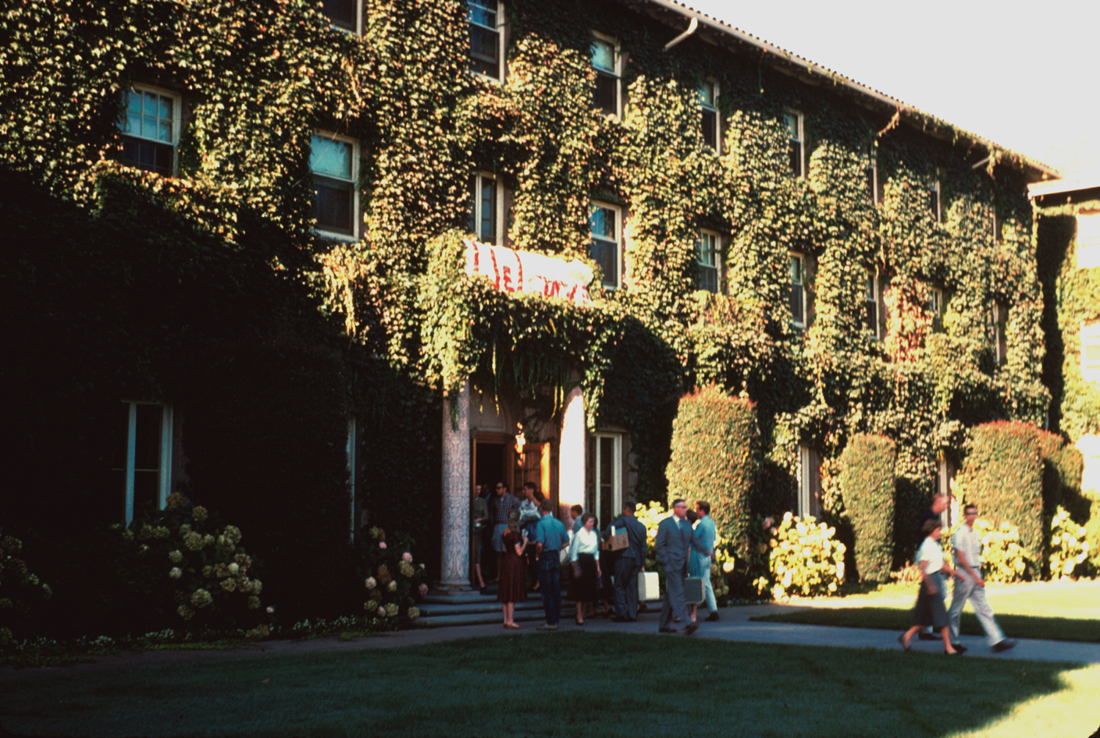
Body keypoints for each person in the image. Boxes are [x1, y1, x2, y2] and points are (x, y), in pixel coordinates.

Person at [948, 504, 1017, 653]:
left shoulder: (976, 534)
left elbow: (974, 556)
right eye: (969, 513)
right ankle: (952, 641)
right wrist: (974, 576)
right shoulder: (959, 533)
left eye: (974, 513)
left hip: (975, 572)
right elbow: (961, 557)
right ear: (965, 515)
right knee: (955, 610)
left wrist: (978, 575)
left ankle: (997, 640)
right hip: (964, 574)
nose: (972, 516)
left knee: (984, 607)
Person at [899, 519, 962, 654]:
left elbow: (942, 565)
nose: (940, 532)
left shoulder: (935, 545)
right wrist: (930, 585)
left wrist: (956, 573)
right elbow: (923, 568)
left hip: (935, 580)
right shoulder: (927, 546)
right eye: (938, 530)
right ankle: (948, 648)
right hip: (930, 583)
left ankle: (906, 636)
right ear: (932, 531)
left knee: (925, 617)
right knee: (942, 615)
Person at [656, 499, 713, 635]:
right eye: (682, 507)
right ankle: (687, 623)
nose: (684, 510)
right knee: (679, 593)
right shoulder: (665, 524)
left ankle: (663, 625)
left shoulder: (687, 525)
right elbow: (660, 545)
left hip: (682, 565)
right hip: (671, 564)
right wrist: (665, 561)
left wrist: (707, 551)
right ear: (675, 508)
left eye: (685, 507)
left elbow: (695, 540)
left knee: (671, 594)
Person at [606, 498, 647, 622]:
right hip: (637, 559)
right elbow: (643, 547)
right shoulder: (641, 526)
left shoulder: (624, 521)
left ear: (626, 510)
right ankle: (633, 614)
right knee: (631, 587)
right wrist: (642, 563)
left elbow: (610, 527)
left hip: (624, 556)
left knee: (619, 585)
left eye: (624, 509)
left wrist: (604, 540)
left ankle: (622, 613)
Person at [916, 493, 949, 640]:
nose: (946, 506)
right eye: (945, 503)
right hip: (928, 561)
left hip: (931, 559)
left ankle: (924, 629)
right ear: (937, 503)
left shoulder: (932, 517)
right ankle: (925, 629)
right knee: (934, 596)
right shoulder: (928, 517)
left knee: (930, 598)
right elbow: (925, 539)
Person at [534, 498, 569, 631]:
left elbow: (539, 544)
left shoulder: (541, 524)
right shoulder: (559, 523)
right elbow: (567, 541)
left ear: (541, 509)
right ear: (552, 509)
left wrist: (538, 555)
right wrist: (558, 547)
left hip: (545, 556)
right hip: (555, 556)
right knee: (556, 590)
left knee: (547, 590)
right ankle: (556, 619)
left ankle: (550, 621)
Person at [497, 509, 529, 629]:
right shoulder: (515, 535)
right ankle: (510, 621)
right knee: (511, 592)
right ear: (517, 520)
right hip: (514, 563)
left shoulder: (505, 532)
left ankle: (505, 620)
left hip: (506, 561)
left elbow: (506, 549)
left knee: (505, 592)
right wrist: (525, 542)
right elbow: (519, 552)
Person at [568, 513, 601, 625]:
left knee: (590, 590)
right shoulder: (579, 534)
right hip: (582, 561)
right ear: (584, 522)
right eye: (590, 522)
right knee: (580, 590)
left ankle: (582, 612)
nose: (592, 524)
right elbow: (573, 552)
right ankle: (578, 615)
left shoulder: (594, 534)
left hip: (591, 562)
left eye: (593, 522)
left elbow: (596, 552)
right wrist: (576, 567)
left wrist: (598, 567)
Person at [690, 500, 719, 622]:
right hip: (709, 555)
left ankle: (694, 611)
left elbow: (694, 539)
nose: (696, 512)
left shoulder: (701, 524)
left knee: (696, 582)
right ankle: (713, 609)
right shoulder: (711, 522)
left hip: (701, 556)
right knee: (707, 583)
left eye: (697, 509)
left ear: (702, 510)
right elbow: (712, 538)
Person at [488, 482, 519, 583]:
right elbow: (491, 513)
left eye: (499, 488)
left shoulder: (513, 499)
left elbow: (519, 511)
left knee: (509, 552)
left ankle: (510, 576)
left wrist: (514, 526)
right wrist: (494, 525)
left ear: (505, 488)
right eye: (496, 488)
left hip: (509, 526)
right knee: (498, 553)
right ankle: (499, 575)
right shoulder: (495, 500)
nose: (497, 490)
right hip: (498, 526)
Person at [519, 482, 543, 589]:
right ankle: (529, 581)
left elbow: (538, 516)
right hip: (525, 535)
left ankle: (538, 581)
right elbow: (520, 518)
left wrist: (526, 515)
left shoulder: (538, 502)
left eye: (525, 489)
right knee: (526, 559)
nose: (523, 492)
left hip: (536, 534)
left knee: (536, 559)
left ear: (531, 490)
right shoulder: (523, 503)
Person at [471, 484, 489, 590]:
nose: (477, 491)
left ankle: (480, 580)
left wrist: (479, 519)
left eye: (479, 490)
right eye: (476, 489)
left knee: (477, 551)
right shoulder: (467, 498)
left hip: (478, 530)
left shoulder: (481, 501)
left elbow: (486, 516)